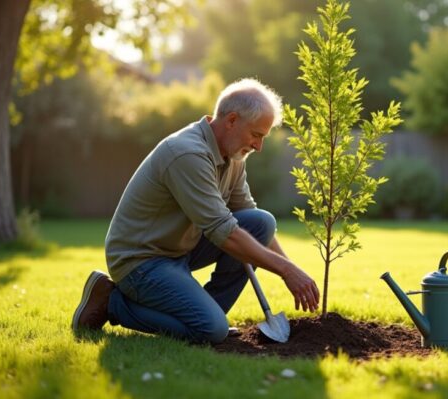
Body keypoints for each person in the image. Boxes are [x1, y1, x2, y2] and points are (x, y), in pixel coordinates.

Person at [71, 78, 320, 343]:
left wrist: (289, 267)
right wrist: (286, 271)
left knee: (260, 223)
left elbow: (246, 216)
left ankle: (205, 316)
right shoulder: (187, 154)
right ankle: (112, 302)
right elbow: (223, 231)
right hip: (141, 261)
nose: (259, 146)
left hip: (179, 250)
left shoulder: (233, 157)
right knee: (211, 330)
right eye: (256, 135)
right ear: (232, 120)